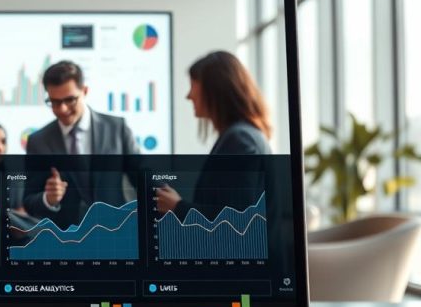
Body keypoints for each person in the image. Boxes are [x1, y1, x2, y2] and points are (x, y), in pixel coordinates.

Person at [155, 50, 272, 217]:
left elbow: (235, 221)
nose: (189, 96)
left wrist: (178, 207)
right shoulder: (245, 136)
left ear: (215, 89)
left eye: (193, 84)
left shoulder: (240, 140)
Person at [23, 60, 136, 224]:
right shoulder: (38, 141)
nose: (62, 109)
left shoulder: (117, 128)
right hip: (66, 241)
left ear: (85, 91)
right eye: (54, 102)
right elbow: (29, 202)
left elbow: (141, 175)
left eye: (69, 100)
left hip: (115, 231)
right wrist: (48, 198)